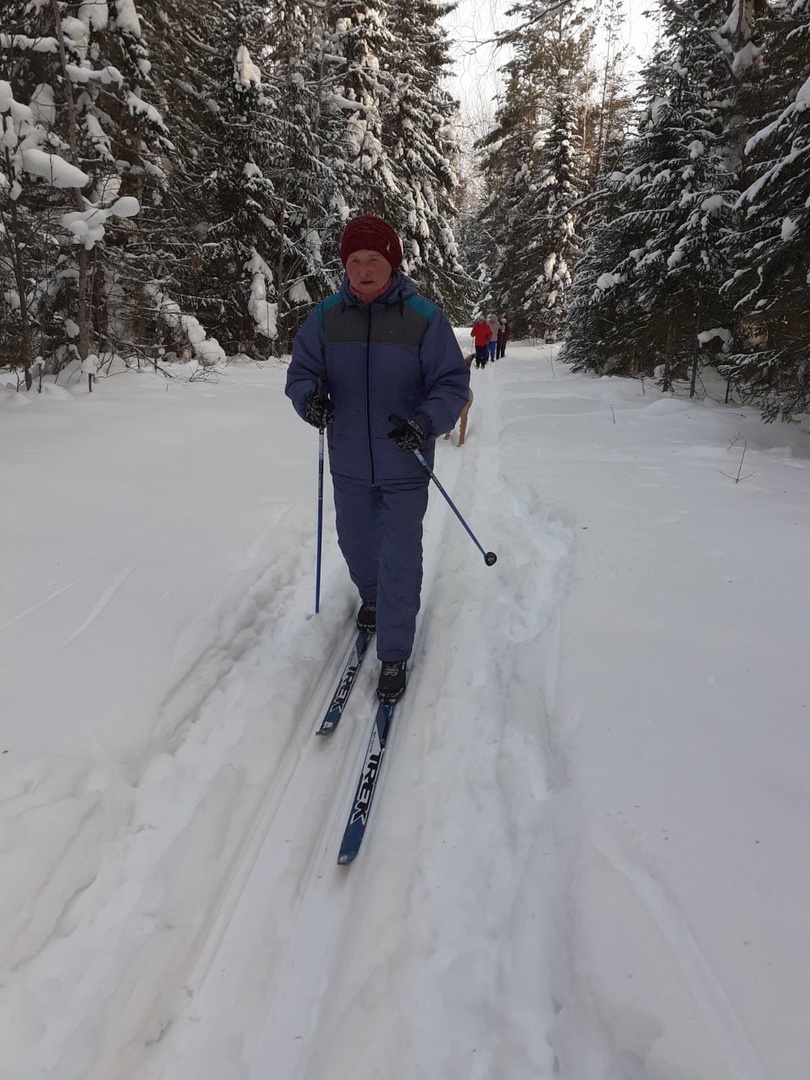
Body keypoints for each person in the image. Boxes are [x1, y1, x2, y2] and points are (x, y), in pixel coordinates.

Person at [286, 214, 469, 703]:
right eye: (354, 261)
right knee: (357, 544)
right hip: (347, 460)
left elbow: (451, 384)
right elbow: (301, 372)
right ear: (344, 266)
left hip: (405, 463)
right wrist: (310, 399)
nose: (364, 270)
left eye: (373, 260)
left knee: (399, 555)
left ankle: (394, 650)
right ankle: (371, 598)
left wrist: (425, 422)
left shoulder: (424, 318)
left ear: (392, 262)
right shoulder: (325, 318)